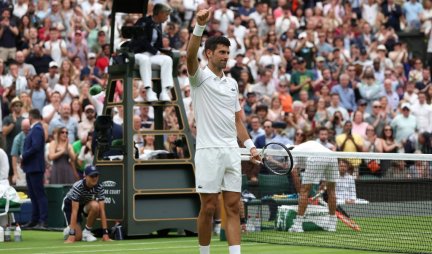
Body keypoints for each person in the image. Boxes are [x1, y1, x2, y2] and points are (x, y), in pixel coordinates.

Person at [186, 7, 259, 254]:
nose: (226, 56)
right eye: (221, 52)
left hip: (231, 152)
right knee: (208, 207)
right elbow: (188, 56)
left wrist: (250, 146)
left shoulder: (232, 84)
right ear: (209, 54)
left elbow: (237, 120)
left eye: (228, 52)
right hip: (208, 151)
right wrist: (199, 25)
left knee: (234, 206)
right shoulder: (199, 78)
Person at [288, 140, 338, 233]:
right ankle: (332, 225)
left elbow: (294, 174)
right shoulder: (305, 147)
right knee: (331, 190)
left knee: (304, 191)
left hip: (316, 157)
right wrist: (322, 184)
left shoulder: (292, 154)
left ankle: (298, 225)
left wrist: (300, 193)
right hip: (332, 156)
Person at [129, 3, 174, 102]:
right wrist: (157, 53)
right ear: (160, 13)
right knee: (145, 60)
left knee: (168, 59)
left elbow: (157, 45)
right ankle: (149, 91)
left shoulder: (159, 25)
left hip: (151, 54)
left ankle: (164, 91)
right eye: (166, 15)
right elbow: (143, 42)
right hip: (137, 54)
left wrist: (164, 51)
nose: (167, 18)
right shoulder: (143, 22)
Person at [63, 165, 112, 243]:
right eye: (92, 176)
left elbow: (102, 210)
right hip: (70, 206)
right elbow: (74, 211)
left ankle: (86, 232)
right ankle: (69, 231)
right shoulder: (77, 187)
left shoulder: (99, 187)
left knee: (95, 206)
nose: (95, 178)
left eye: (96, 175)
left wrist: (105, 233)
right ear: (85, 176)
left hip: (84, 204)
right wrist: (72, 235)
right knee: (78, 237)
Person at [21, 109, 48, 229]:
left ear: (31, 117)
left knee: (39, 194)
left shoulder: (37, 129)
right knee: (33, 194)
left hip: (35, 167)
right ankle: (34, 219)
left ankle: (42, 220)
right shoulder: (35, 129)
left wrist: (24, 155)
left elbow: (36, 146)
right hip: (31, 167)